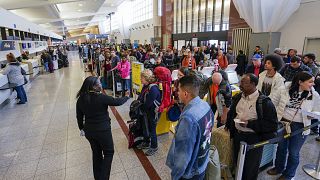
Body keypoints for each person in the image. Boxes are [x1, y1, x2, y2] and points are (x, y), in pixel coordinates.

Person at [267, 71, 320, 180]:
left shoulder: (313, 95)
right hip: (283, 123)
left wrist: (312, 115)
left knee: (294, 152)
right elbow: (272, 102)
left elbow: (317, 111)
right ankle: (278, 168)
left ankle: (289, 174)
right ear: (300, 82)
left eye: (313, 82)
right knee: (281, 148)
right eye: (310, 82)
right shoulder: (284, 89)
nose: (313, 84)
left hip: (301, 127)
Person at [225, 73, 278, 180]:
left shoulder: (264, 103)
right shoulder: (239, 97)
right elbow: (233, 113)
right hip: (238, 136)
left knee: (251, 167)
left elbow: (272, 125)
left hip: (254, 139)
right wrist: (229, 124)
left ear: (253, 84)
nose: (240, 85)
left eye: (244, 83)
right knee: (238, 163)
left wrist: (249, 124)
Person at [76, 76, 129, 180]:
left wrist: (82, 128)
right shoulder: (101, 97)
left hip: (89, 132)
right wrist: (126, 97)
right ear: (94, 86)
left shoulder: (81, 99)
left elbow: (79, 116)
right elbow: (116, 102)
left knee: (96, 154)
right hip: (103, 130)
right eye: (99, 83)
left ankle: (97, 177)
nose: (101, 85)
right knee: (109, 153)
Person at [166, 75, 214, 180]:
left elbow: (183, 154)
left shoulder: (188, 118)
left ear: (185, 93)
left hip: (190, 172)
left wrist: (175, 175)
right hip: (202, 162)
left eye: (178, 90)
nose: (177, 93)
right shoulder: (205, 106)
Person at [137, 69, 161, 156]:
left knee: (152, 130)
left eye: (141, 78)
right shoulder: (146, 86)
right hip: (146, 112)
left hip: (152, 113)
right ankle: (146, 142)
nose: (140, 79)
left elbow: (148, 103)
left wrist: (141, 108)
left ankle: (154, 147)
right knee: (145, 127)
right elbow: (141, 97)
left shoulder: (153, 88)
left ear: (146, 78)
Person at [257, 54, 287, 120]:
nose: (265, 64)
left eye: (268, 63)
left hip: (270, 104)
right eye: (266, 62)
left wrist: (266, 102)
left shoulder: (279, 79)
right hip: (259, 102)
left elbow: (276, 95)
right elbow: (258, 89)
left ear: (274, 65)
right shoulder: (261, 75)